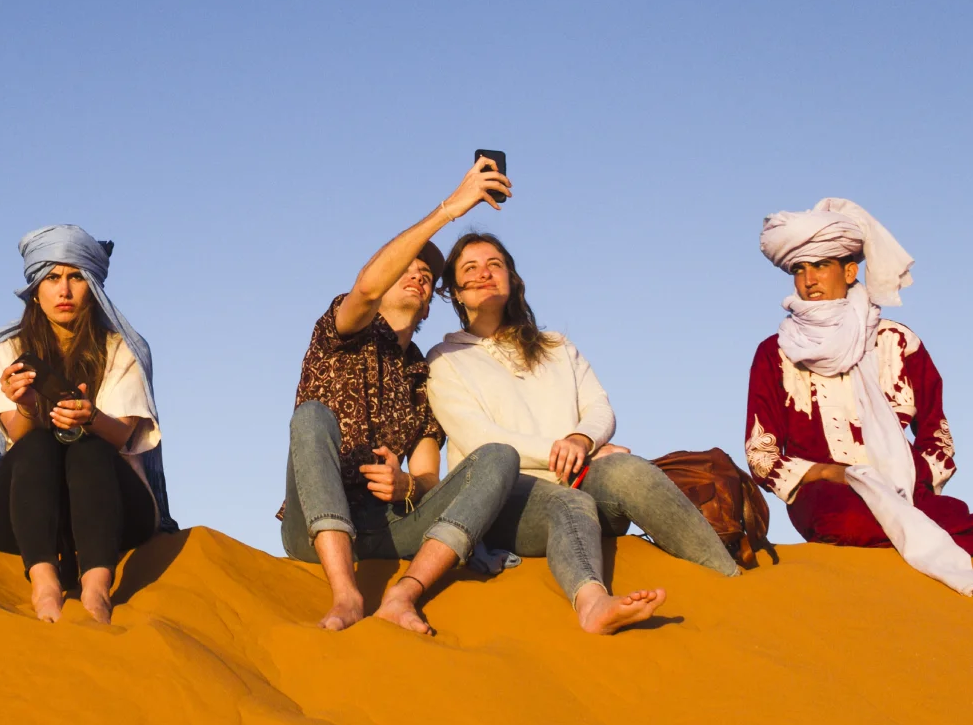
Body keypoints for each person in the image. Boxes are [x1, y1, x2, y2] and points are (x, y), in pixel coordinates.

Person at [427, 232, 742, 634]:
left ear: (512, 278)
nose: (485, 273)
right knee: (568, 504)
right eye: (470, 268)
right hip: (508, 498)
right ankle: (593, 604)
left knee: (629, 469)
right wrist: (562, 450)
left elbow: (598, 407)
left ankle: (728, 578)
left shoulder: (556, 345)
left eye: (495, 264)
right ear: (455, 292)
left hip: (580, 476)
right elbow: (479, 439)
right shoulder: (445, 359)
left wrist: (582, 441)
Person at [279, 157, 528, 636]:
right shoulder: (341, 331)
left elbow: (429, 478)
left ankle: (403, 593)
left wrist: (406, 487)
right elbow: (367, 287)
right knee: (311, 417)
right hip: (315, 529)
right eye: (406, 267)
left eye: (426, 274)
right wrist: (449, 210)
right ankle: (345, 592)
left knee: (498, 457)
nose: (417, 274)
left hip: (391, 531)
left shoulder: (423, 374)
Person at [746, 199, 973, 596]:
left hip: (904, 486)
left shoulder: (897, 342)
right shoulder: (776, 352)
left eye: (821, 265)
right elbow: (760, 452)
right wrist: (827, 473)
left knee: (964, 523)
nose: (808, 281)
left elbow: (937, 431)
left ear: (850, 271)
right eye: (799, 269)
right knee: (850, 522)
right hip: (826, 494)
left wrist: (912, 478)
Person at [0, 225, 169, 625]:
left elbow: (124, 435)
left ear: (92, 285)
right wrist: (25, 405)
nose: (64, 291)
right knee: (38, 443)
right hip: (22, 512)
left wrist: (90, 417)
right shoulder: (7, 349)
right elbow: (17, 437)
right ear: (35, 288)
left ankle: (97, 590)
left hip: (113, 510)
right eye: (52, 278)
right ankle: (44, 584)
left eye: (76, 277)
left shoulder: (120, 349)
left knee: (90, 446)